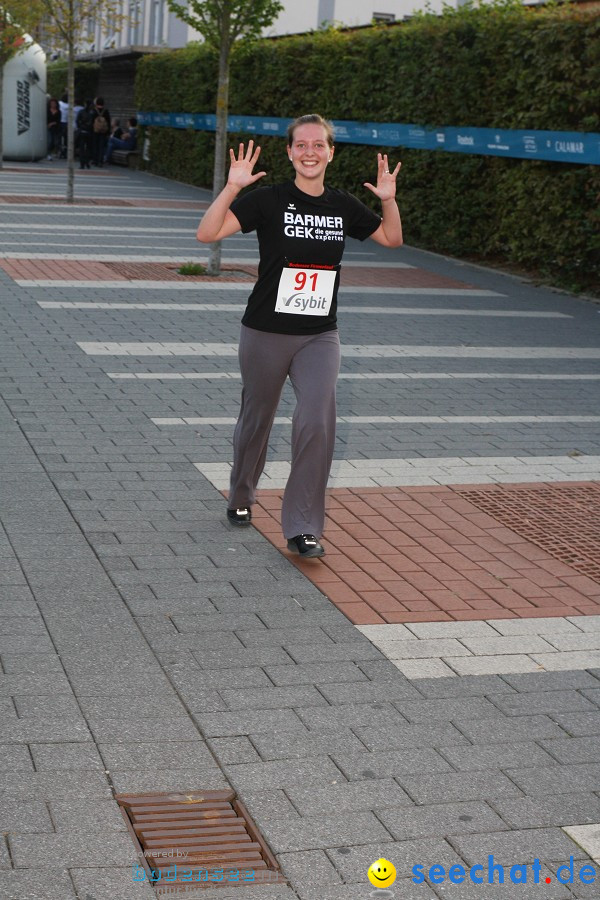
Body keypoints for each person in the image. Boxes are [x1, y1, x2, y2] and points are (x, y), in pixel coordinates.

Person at [196, 114, 402, 558]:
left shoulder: (343, 205)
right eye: (301, 145)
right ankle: (240, 493)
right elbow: (206, 233)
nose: (310, 152)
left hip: (319, 336)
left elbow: (391, 238)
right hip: (265, 332)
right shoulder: (269, 200)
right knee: (256, 421)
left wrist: (388, 199)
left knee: (316, 421)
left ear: (331, 152)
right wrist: (233, 187)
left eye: (319, 145)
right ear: (289, 152)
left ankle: (303, 526)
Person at [91, 97, 111, 167]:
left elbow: (91, 121)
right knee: (101, 146)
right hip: (103, 131)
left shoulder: (94, 111)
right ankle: (100, 161)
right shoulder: (106, 111)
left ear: (96, 103)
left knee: (95, 145)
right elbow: (108, 121)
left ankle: (95, 160)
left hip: (95, 131)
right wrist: (108, 131)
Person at [76, 99, 95, 170]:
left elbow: (77, 121)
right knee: (88, 148)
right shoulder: (92, 113)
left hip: (82, 131)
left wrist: (81, 126)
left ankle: (82, 163)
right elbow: (92, 123)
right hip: (89, 132)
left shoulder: (81, 112)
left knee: (82, 148)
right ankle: (87, 161)